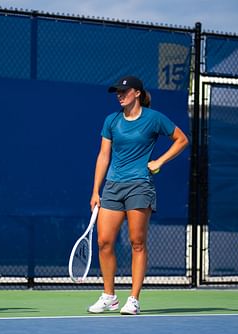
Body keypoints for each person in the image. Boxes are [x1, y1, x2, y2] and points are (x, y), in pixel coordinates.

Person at [88, 76, 188, 315]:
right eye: (117, 92)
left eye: (124, 91)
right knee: (104, 242)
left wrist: (160, 160)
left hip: (140, 186)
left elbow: (181, 139)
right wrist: (95, 190)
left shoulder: (154, 119)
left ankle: (133, 299)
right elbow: (104, 156)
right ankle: (109, 296)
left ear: (137, 93)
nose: (119, 95)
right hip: (112, 187)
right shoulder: (111, 121)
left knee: (137, 242)